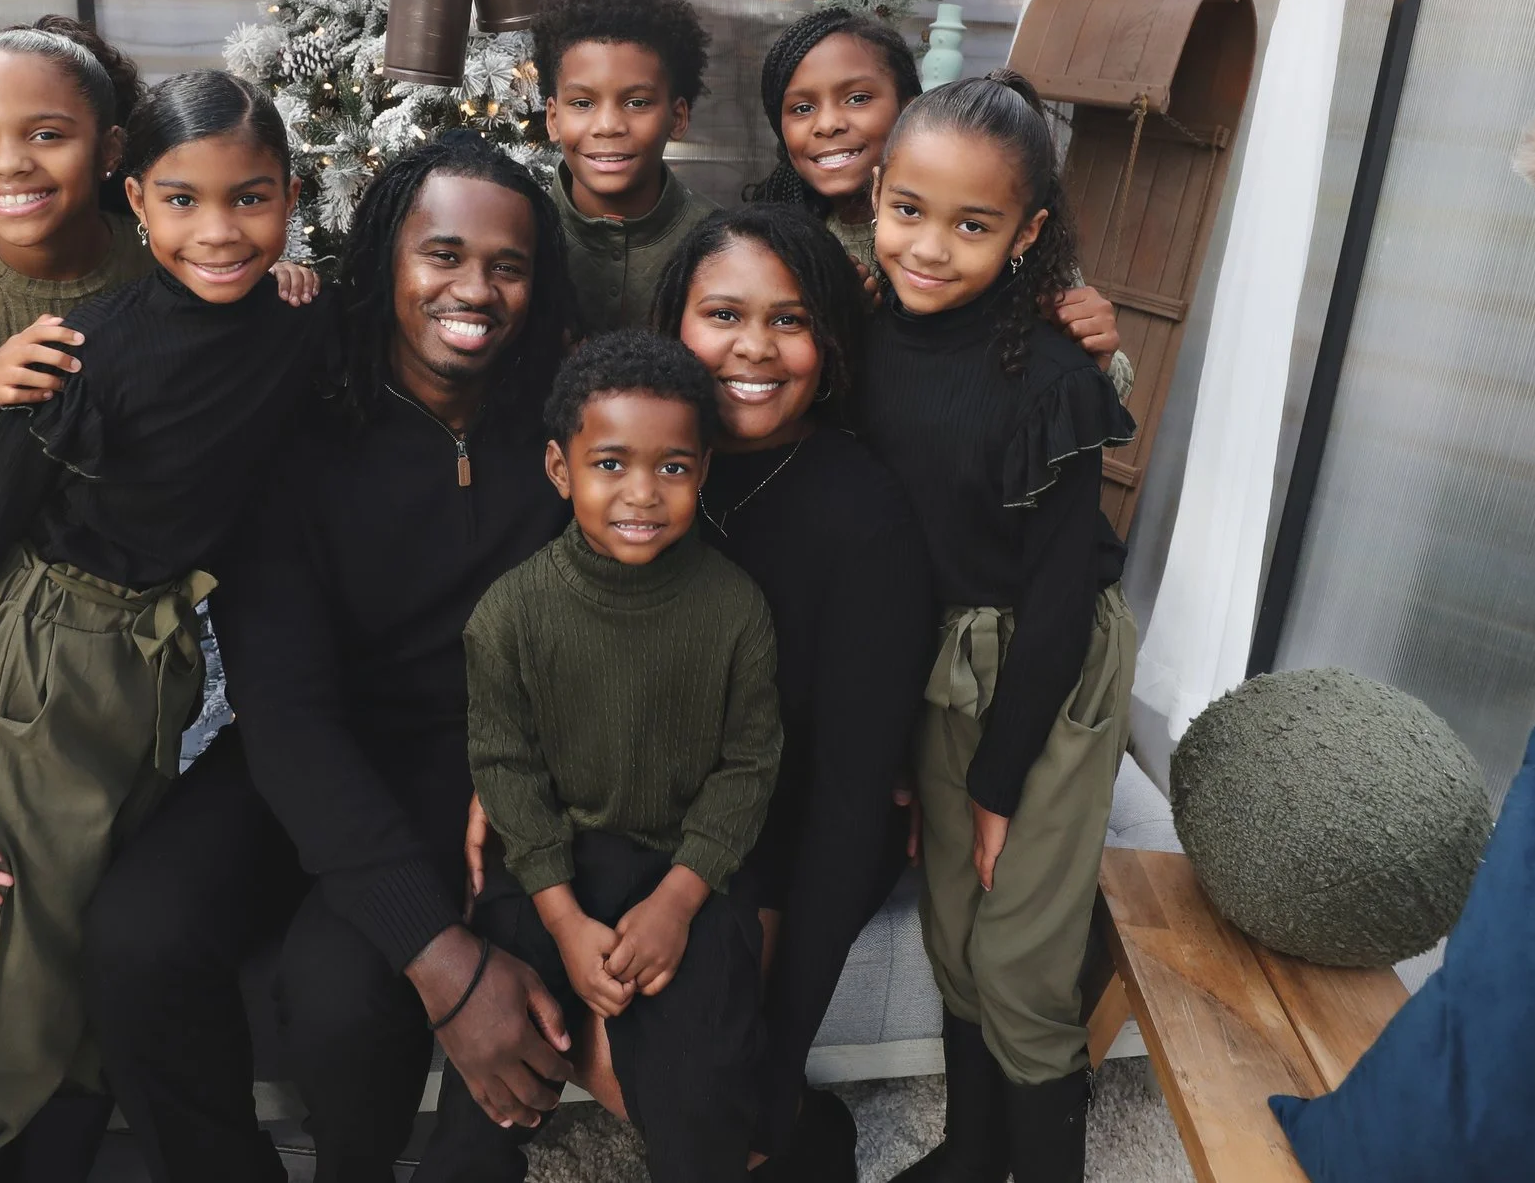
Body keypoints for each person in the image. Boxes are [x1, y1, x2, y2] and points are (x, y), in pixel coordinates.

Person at [81, 128, 581, 1183]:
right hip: (303, 742)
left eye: (507, 263)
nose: (474, 287)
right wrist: (445, 960)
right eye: (441, 253)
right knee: (136, 937)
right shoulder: (299, 425)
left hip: (475, 760)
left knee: (341, 987)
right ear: (386, 261)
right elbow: (287, 709)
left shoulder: (567, 433)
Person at [0, 71, 330, 1182]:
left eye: (253, 197)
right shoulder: (80, 353)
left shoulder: (295, 320)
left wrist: (307, 281)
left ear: (289, 196)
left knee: (94, 996)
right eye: (182, 200)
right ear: (136, 199)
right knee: (19, 1008)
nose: (220, 230)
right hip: (36, 672)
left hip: (153, 664)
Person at [856, 70, 1139, 1183]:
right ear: (876, 190)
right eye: (908, 209)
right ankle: (971, 1157)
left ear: (1025, 235)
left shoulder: (1055, 373)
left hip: (1043, 670)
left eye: (972, 224)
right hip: (934, 660)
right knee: (954, 934)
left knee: (1021, 958)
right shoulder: (862, 334)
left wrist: (998, 782)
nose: (929, 245)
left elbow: (1063, 592)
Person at [418, 331, 782, 1183]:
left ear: (704, 468)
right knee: (489, 1090)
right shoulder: (511, 612)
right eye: (611, 464)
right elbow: (505, 769)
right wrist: (562, 922)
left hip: (686, 872)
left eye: (674, 468)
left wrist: (679, 902)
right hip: (552, 874)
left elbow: (750, 765)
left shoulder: (737, 609)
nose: (642, 494)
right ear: (560, 467)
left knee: (704, 1100)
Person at [653, 206, 935, 1181]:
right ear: (673, 325)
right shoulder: (629, 466)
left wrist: (780, 1056)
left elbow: (851, 804)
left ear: (829, 342)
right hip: (640, 817)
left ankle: (803, 1134)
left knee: (730, 1089)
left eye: (790, 318)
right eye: (722, 313)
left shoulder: (862, 511)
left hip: (787, 832)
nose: (754, 348)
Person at [0, 20, 317, 516]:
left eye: (45, 134)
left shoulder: (166, 251)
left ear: (110, 150)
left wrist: (261, 278)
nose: (9, 164)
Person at [744, 8, 1128, 383]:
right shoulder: (782, 246)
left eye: (858, 98)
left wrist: (1093, 348)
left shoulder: (1012, 251)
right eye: (802, 108)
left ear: (910, 108)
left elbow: (1104, 396)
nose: (827, 124)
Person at [535, 0, 719, 332]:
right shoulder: (520, 230)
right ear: (553, 119)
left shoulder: (718, 242)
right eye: (583, 103)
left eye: (636, 103)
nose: (608, 125)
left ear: (677, 117)